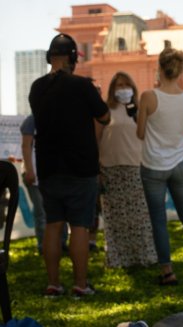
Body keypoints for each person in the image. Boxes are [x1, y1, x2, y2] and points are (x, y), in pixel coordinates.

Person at [29, 33, 110, 297]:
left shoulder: (36, 88)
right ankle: (80, 284)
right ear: (73, 58)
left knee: (53, 224)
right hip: (80, 167)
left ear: (49, 57)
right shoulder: (82, 86)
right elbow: (105, 116)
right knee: (79, 226)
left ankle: (53, 283)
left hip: (48, 167)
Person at [137, 47, 183, 286]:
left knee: (158, 219)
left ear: (159, 68)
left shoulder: (148, 96)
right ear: (180, 70)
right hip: (179, 162)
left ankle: (167, 270)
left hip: (153, 165)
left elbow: (140, 133)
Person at [98, 71, 158, 268]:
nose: (123, 89)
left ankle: (143, 256)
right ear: (112, 90)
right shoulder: (105, 111)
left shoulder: (140, 110)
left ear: (133, 87)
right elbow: (96, 138)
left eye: (126, 85)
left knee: (139, 216)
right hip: (110, 168)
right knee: (116, 217)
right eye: (119, 85)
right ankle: (118, 258)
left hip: (136, 166)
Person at [20, 115, 68, 255]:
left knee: (61, 211)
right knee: (41, 212)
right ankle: (43, 245)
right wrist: (29, 170)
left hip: (56, 174)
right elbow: (26, 146)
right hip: (35, 174)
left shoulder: (60, 119)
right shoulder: (31, 120)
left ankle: (62, 243)